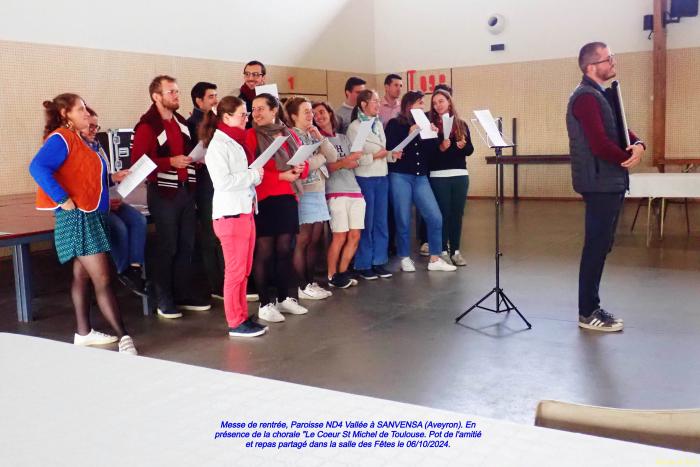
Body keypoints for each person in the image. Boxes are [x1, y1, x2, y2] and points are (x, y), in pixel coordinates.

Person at [29, 93, 137, 354]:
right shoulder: (61, 138)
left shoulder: (81, 140)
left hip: (91, 214)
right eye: (81, 109)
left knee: (81, 275)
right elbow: (38, 167)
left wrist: (112, 177)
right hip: (78, 216)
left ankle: (83, 332)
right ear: (66, 114)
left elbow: (85, 176)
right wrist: (61, 198)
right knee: (102, 278)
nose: (87, 113)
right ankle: (124, 337)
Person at [567, 41, 645, 332]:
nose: (613, 62)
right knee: (596, 246)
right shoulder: (585, 97)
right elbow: (599, 144)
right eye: (607, 58)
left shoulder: (601, 94)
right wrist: (629, 155)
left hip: (609, 180)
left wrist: (638, 144)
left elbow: (620, 128)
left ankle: (592, 306)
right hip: (599, 181)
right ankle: (587, 312)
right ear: (591, 67)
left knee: (602, 245)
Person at [131, 75, 211, 319]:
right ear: (157, 97)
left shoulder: (181, 122)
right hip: (164, 192)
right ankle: (163, 297)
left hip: (186, 190)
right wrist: (169, 162)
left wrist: (196, 158)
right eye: (171, 92)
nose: (177, 95)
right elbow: (138, 164)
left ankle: (181, 292)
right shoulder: (147, 126)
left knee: (187, 245)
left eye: (177, 91)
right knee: (168, 245)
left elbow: (187, 152)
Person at [199, 95, 267, 337]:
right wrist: (252, 176)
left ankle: (241, 315)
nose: (246, 118)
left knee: (244, 269)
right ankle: (235, 321)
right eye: (242, 115)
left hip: (244, 210)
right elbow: (223, 182)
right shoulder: (217, 145)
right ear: (226, 117)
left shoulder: (235, 141)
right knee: (235, 271)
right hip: (230, 215)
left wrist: (252, 176)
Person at [245, 93, 309, 322]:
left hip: (288, 197)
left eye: (262, 108)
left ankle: (284, 298)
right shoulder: (251, 136)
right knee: (264, 252)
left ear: (274, 111)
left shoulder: (288, 134)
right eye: (254, 109)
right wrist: (281, 176)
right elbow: (251, 170)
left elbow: (305, 161)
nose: (257, 113)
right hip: (264, 197)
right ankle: (265, 303)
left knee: (285, 250)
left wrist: (302, 167)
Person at [385, 91, 456, 272]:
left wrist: (433, 137)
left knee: (434, 216)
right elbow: (392, 150)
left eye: (423, 103)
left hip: (420, 176)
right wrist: (409, 135)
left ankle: (435, 258)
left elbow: (431, 154)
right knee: (403, 217)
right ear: (409, 105)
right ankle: (404, 256)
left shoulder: (426, 124)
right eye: (419, 103)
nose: (423, 107)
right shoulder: (395, 124)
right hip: (400, 176)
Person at [81, 107, 147, 295]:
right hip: (94, 203)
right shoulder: (78, 149)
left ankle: (135, 267)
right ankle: (122, 270)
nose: (94, 131)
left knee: (138, 220)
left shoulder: (97, 146)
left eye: (96, 127)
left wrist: (115, 178)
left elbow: (101, 177)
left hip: (109, 197)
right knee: (118, 227)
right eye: (90, 127)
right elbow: (85, 183)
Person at [286, 97, 334, 300]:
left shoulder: (312, 134)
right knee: (303, 239)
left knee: (316, 239)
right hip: (304, 191)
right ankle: (301, 285)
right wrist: (319, 157)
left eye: (310, 111)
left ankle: (311, 281)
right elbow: (302, 166)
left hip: (319, 189)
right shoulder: (290, 136)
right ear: (293, 116)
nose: (310, 115)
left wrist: (321, 139)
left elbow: (331, 156)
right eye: (305, 112)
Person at [313, 102, 364, 288]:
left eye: (321, 112)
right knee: (339, 236)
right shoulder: (318, 141)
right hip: (335, 192)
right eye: (314, 114)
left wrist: (351, 161)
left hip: (355, 190)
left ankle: (342, 273)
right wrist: (344, 162)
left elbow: (355, 161)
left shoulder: (343, 137)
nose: (319, 116)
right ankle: (331, 275)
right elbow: (325, 168)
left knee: (355, 235)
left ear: (330, 113)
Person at [346, 89, 396, 280]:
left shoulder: (378, 124)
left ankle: (379, 261)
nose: (378, 104)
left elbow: (383, 151)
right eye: (374, 101)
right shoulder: (354, 127)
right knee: (366, 222)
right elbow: (354, 158)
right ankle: (364, 263)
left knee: (381, 221)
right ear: (363, 105)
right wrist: (375, 156)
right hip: (365, 178)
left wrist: (392, 155)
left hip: (382, 176)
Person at [186, 82, 225, 300]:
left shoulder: (216, 121)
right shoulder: (191, 124)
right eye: (211, 97)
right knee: (211, 235)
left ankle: (226, 280)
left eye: (216, 96)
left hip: (218, 182)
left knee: (220, 234)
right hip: (204, 183)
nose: (215, 100)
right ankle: (215, 284)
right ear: (199, 101)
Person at [427, 89, 474, 266]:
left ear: (449, 102)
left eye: (441, 101)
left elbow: (470, 150)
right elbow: (429, 154)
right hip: (439, 176)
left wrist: (462, 145)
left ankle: (456, 250)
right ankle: (443, 250)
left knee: (457, 214)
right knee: (443, 214)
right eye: (434, 103)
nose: (437, 105)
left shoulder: (461, 124)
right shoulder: (431, 126)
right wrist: (441, 148)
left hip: (460, 174)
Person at [238, 60, 266, 127]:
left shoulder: (271, 97)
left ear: (263, 78)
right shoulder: (236, 97)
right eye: (247, 74)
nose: (250, 78)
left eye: (255, 74)